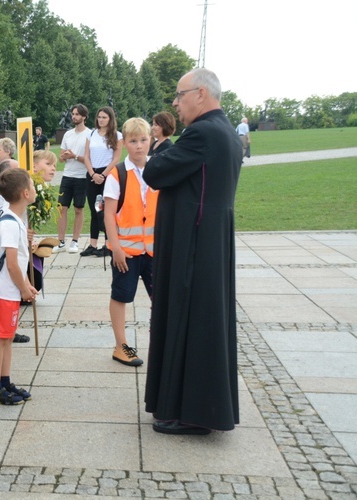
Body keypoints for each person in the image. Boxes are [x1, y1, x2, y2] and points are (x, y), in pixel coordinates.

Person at [143, 68, 243, 435]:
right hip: (209, 242)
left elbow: (154, 172)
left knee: (191, 321)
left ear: (200, 94)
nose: (175, 102)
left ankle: (192, 414)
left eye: (179, 95)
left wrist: (155, 156)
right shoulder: (226, 131)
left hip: (194, 247)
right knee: (204, 323)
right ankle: (196, 407)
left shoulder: (201, 133)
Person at [103, 117, 156, 368]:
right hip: (127, 252)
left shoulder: (158, 169)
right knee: (121, 296)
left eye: (143, 140)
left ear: (151, 140)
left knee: (162, 298)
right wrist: (117, 249)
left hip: (155, 250)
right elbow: (109, 215)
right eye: (133, 141)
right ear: (124, 143)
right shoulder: (118, 174)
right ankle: (121, 345)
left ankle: (160, 343)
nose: (139, 146)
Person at [0, 167, 37, 405]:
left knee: (6, 338)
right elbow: (12, 263)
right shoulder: (9, 223)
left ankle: (4, 381)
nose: (36, 190)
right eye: (33, 186)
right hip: (3, 291)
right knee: (0, 339)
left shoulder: (14, 220)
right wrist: (24, 287)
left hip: (9, 290)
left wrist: (26, 286)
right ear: (26, 193)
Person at [82, 106, 123, 257]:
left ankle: (108, 244)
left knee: (106, 211)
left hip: (108, 174)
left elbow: (116, 158)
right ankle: (92, 244)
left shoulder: (117, 136)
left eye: (104, 117)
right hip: (92, 174)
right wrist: (93, 174)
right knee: (94, 209)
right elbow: (86, 156)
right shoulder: (92, 134)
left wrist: (103, 175)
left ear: (110, 119)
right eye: (99, 117)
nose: (101, 120)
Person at [55, 104, 91, 254]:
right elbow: (62, 158)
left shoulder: (90, 134)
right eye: (73, 114)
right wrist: (64, 156)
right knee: (61, 208)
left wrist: (74, 156)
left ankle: (75, 241)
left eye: (77, 114)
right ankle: (61, 241)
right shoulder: (68, 134)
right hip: (67, 176)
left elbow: (90, 160)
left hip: (82, 177)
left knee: (78, 209)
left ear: (84, 117)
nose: (74, 116)